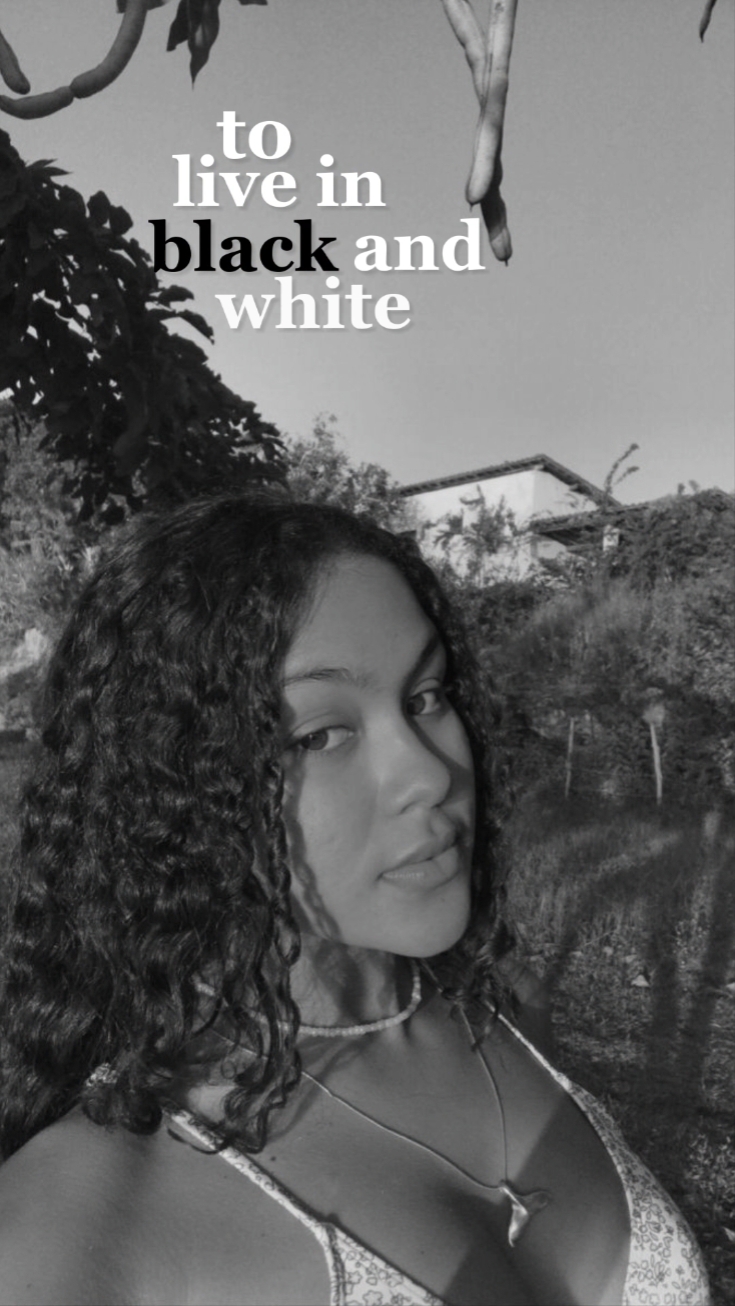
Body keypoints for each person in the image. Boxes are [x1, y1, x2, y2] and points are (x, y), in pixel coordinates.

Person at [0, 493, 709, 1306]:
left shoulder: (500, 1012)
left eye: (426, 696)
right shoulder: (81, 1222)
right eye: (318, 735)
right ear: (170, 788)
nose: (430, 773)